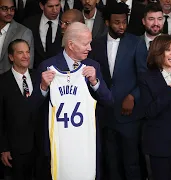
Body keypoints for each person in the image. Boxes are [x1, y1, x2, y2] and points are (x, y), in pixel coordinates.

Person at [36, 22, 113, 180]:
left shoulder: (93, 67)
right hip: (59, 144)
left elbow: (109, 101)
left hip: (85, 142)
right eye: (85, 44)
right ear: (71, 44)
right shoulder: (47, 67)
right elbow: (33, 108)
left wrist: (95, 82)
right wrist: (43, 87)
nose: (90, 48)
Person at [88, 2, 147, 180]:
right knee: (110, 164)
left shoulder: (136, 42)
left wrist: (132, 96)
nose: (121, 26)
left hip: (129, 115)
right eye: (116, 22)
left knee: (131, 163)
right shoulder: (96, 45)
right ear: (107, 22)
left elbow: (144, 76)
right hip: (105, 115)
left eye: (124, 21)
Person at [138, 34, 171, 180]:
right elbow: (149, 111)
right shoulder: (146, 78)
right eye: (168, 50)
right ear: (158, 52)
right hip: (159, 143)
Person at [0, 39, 45, 180]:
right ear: (11, 57)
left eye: (27, 52)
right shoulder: (2, 82)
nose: (26, 56)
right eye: (20, 52)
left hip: (41, 146)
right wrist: (3, 148)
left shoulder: (39, 76)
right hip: (16, 149)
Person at [23, 0, 62, 69]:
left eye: (57, 5)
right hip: (36, 72)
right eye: (50, 6)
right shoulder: (29, 23)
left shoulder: (66, 22)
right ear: (41, 6)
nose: (55, 10)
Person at [0, 0, 34, 74]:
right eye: (4, 9)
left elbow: (28, 64)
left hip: (11, 82)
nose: (9, 12)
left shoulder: (24, 32)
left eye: (12, 9)